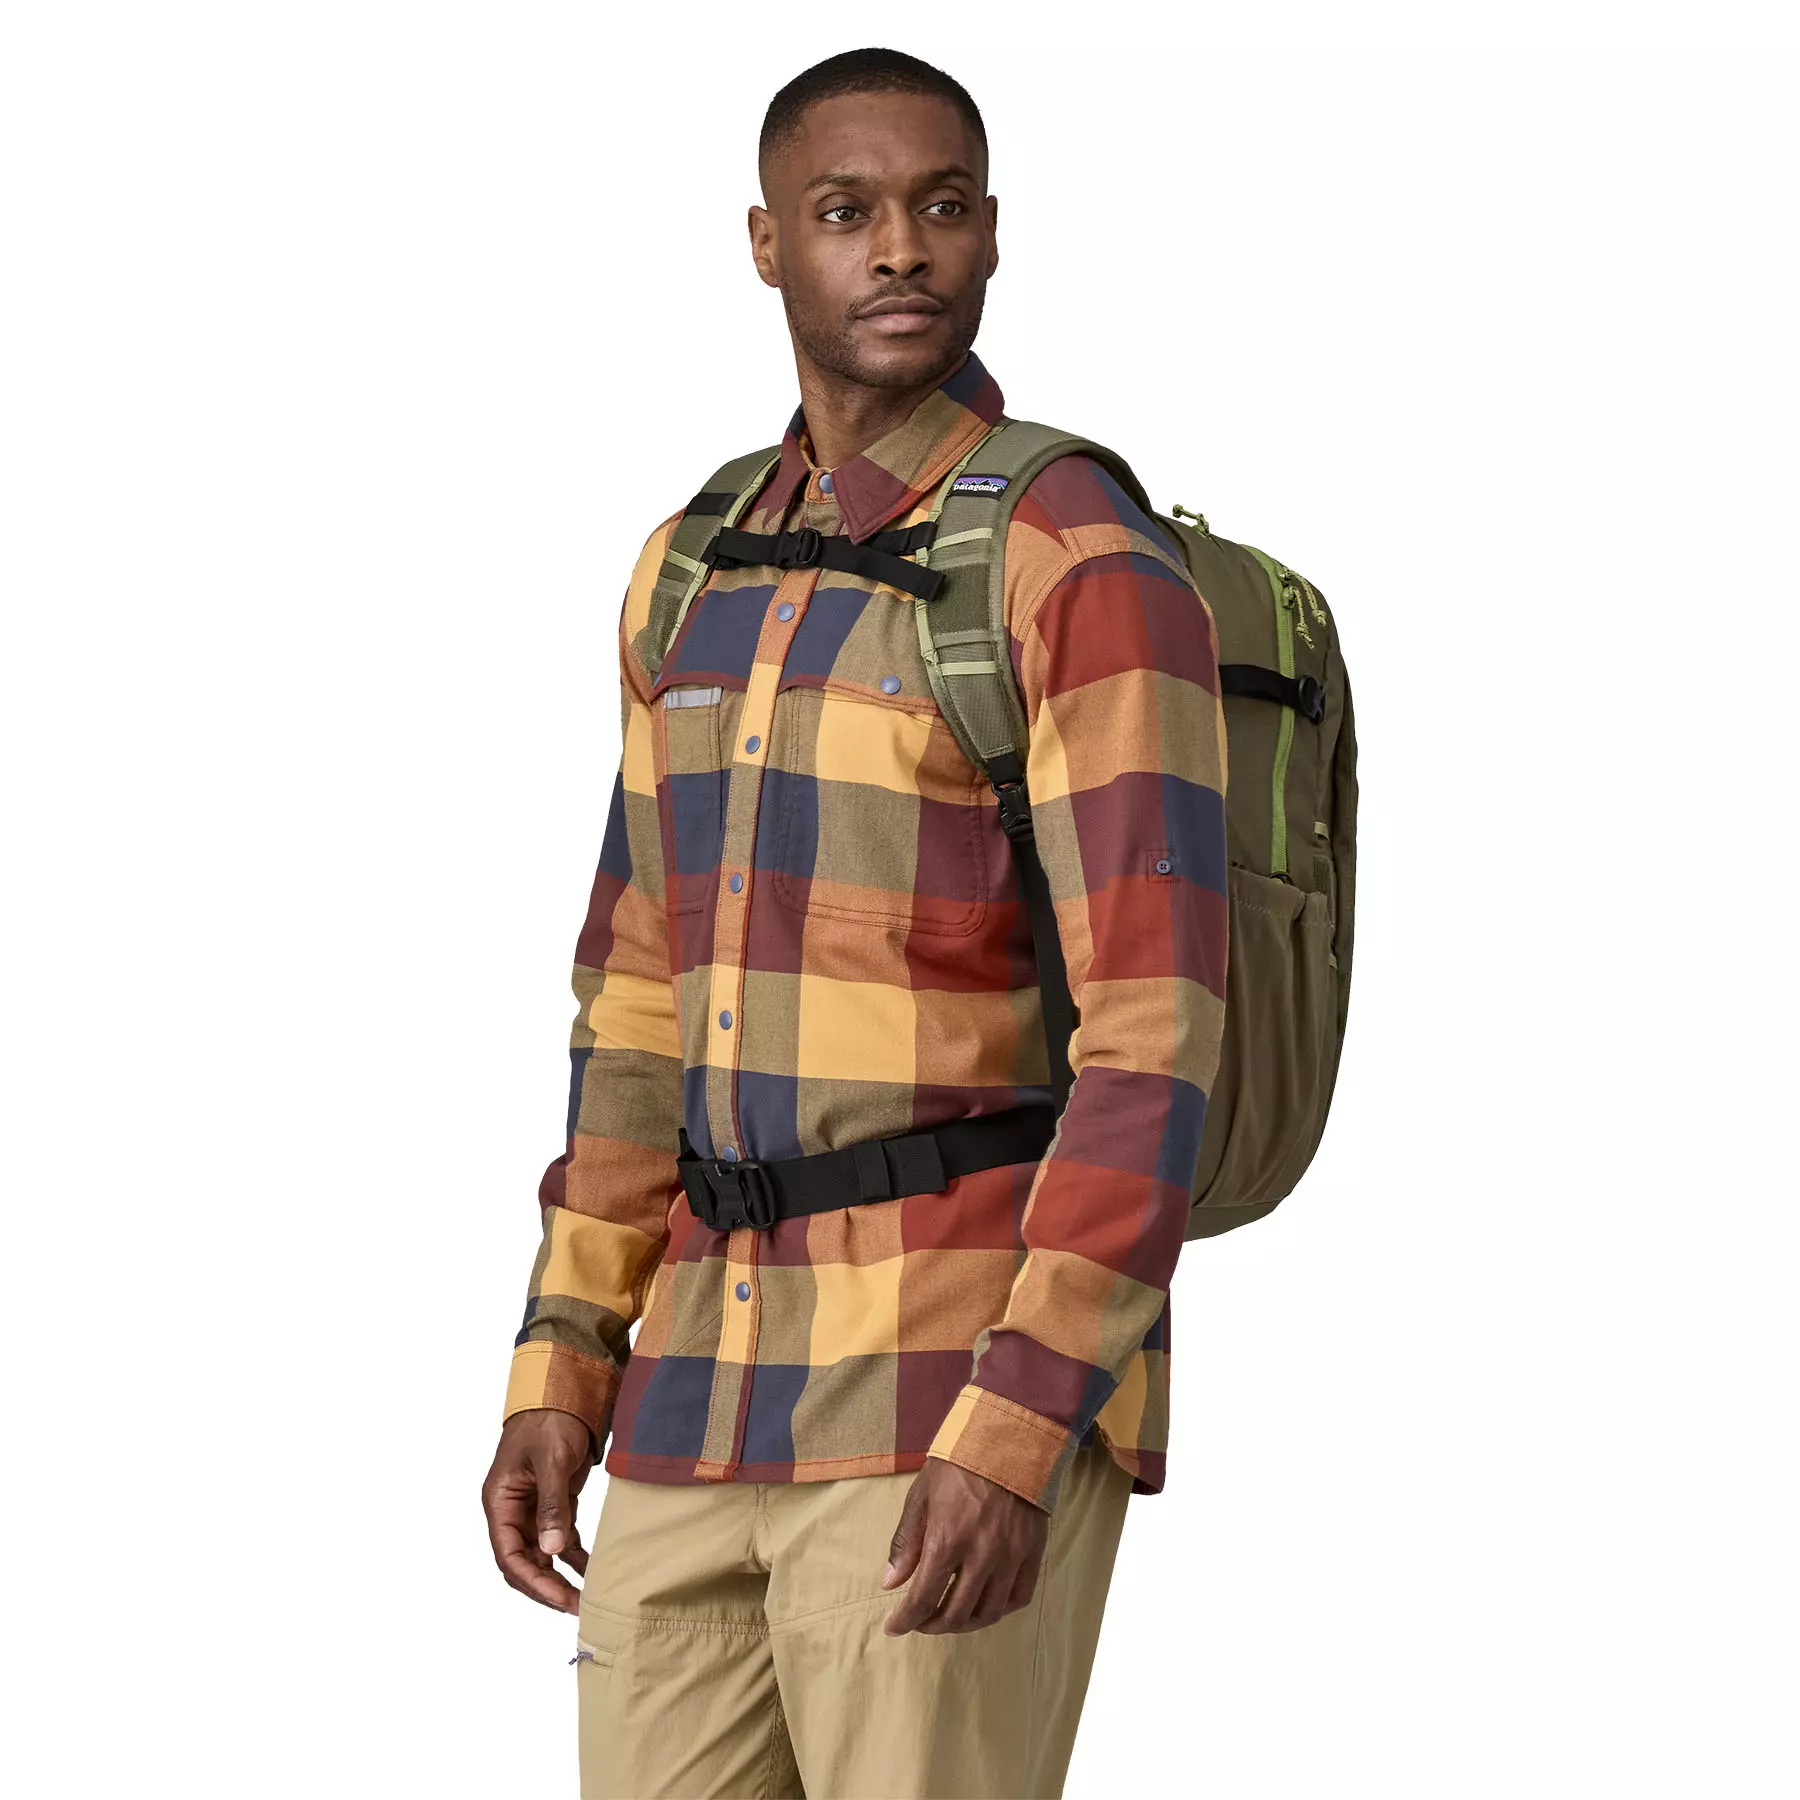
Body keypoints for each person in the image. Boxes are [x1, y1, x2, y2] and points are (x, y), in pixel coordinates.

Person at [482, 46, 1230, 1800]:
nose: (900, 248)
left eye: (940, 207)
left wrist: (1025, 1416)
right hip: (695, 1393)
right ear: (768, 244)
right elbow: (638, 1004)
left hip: (945, 1385)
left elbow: (1157, 1038)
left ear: (991, 234)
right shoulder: (691, 566)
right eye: (847, 212)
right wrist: (561, 1362)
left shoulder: (1073, 556)